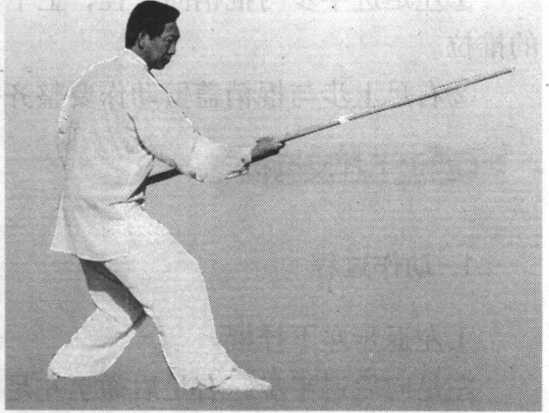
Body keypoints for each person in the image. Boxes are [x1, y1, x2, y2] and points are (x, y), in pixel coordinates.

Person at [47, 0, 283, 392]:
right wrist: (250, 153)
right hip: (113, 218)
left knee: (120, 307)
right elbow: (192, 154)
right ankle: (211, 377)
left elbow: (66, 142)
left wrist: (109, 175)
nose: (174, 50)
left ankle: (64, 371)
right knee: (181, 278)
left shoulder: (89, 80)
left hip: (79, 216)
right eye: (169, 40)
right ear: (143, 38)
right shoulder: (139, 87)